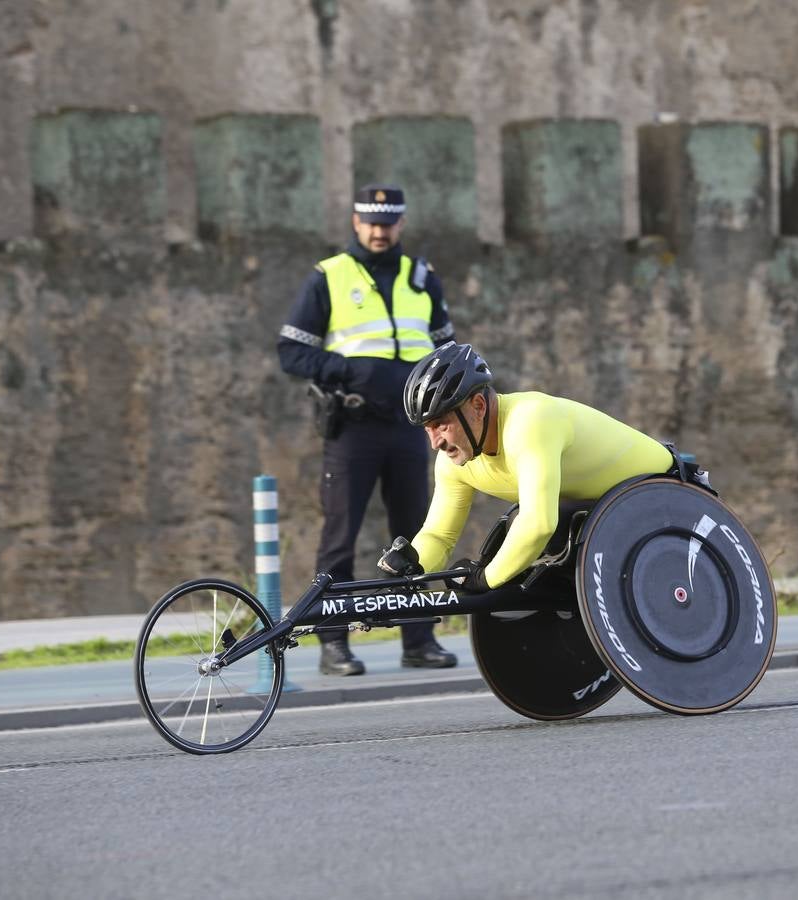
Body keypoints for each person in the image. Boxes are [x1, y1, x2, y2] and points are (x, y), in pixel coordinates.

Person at [276, 184, 459, 675]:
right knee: (340, 538)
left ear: (400, 223)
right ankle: (333, 643)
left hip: (409, 427)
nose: (380, 231)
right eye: (371, 222)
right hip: (352, 427)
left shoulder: (422, 279)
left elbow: (447, 349)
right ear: (356, 222)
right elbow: (291, 352)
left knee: (417, 536)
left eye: (388, 222)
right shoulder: (329, 277)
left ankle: (418, 639)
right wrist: (350, 371)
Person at [376, 343, 676, 591]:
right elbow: (440, 536)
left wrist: (485, 579)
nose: (435, 443)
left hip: (666, 496)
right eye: (427, 429)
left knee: (524, 536)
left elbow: (538, 523)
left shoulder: (530, 420)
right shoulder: (454, 459)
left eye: (441, 425)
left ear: (478, 406)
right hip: (600, 512)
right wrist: (412, 566)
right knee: (524, 545)